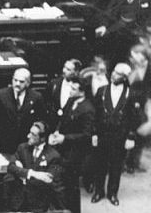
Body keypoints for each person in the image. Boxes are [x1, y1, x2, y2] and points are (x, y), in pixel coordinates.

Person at [91, 63, 141, 206]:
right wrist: (94, 134)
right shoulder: (102, 91)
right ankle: (98, 191)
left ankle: (112, 193)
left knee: (116, 165)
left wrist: (131, 137)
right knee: (99, 164)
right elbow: (95, 115)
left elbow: (134, 118)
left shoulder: (130, 94)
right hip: (102, 134)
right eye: (113, 71)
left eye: (118, 73)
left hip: (119, 136)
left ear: (124, 78)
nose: (113, 74)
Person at [49, 75, 94, 213]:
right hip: (63, 149)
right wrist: (56, 133)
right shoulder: (70, 101)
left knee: (72, 185)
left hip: (75, 153)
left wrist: (65, 138)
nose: (70, 90)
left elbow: (86, 135)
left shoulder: (88, 109)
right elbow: (62, 121)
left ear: (82, 91)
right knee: (61, 182)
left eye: (73, 89)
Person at [7, 121, 65, 212]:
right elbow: (10, 166)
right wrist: (33, 174)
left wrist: (22, 173)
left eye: (33, 134)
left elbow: (47, 181)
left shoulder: (53, 156)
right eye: (30, 132)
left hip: (38, 206)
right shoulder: (22, 148)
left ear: (42, 138)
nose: (28, 136)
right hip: (18, 202)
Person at [0, 67, 45, 154]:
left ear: (28, 83)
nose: (17, 84)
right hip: (3, 145)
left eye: (21, 82)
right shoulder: (1, 95)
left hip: (26, 145)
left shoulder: (36, 97)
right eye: (15, 80)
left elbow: (42, 120)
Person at [44, 58, 82, 125]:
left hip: (70, 125)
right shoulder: (54, 83)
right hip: (53, 123)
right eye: (64, 67)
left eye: (68, 69)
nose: (64, 70)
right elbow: (47, 101)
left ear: (76, 72)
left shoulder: (80, 87)